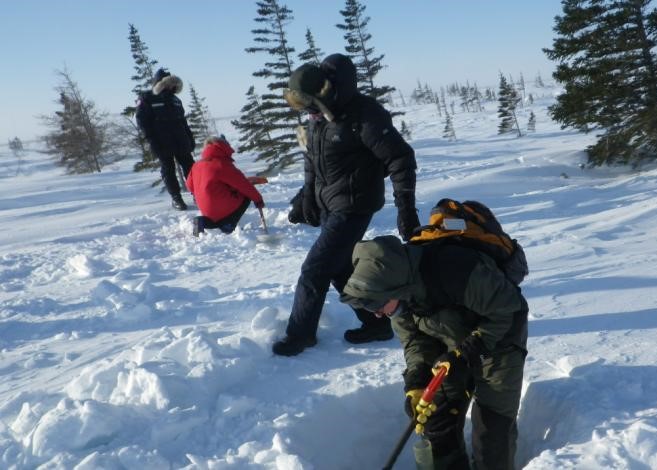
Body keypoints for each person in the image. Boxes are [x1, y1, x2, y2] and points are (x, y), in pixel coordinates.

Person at [271, 53, 420, 356]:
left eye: (312, 107)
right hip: (330, 204)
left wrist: (406, 209)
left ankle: (300, 335)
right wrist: (306, 198)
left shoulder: (364, 115)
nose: (309, 114)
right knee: (340, 268)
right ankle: (377, 323)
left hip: (355, 205)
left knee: (314, 269)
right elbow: (312, 160)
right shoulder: (317, 119)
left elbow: (400, 158)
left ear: (325, 93)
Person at [340, 235, 528, 470]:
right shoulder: (398, 302)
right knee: (437, 419)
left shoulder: (459, 271)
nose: (375, 314)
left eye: (374, 305)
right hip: (451, 341)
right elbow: (414, 340)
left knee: (492, 433)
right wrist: (417, 380)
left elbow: (507, 310)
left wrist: (467, 351)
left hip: (499, 340)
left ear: (395, 289)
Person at [136, 68, 196, 211]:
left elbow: (183, 121)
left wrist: (190, 139)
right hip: (162, 142)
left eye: (172, 84)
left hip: (181, 140)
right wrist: (152, 141)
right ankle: (176, 198)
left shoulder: (176, 100)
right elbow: (142, 122)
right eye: (167, 83)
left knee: (191, 168)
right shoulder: (147, 98)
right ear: (159, 84)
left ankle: (198, 193)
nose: (170, 86)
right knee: (168, 170)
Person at [186, 136, 265, 236]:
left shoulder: (196, 165)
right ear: (223, 147)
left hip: (204, 208)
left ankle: (202, 221)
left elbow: (189, 186)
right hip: (220, 206)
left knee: (216, 217)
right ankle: (228, 225)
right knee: (246, 195)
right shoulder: (222, 164)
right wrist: (258, 200)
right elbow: (244, 185)